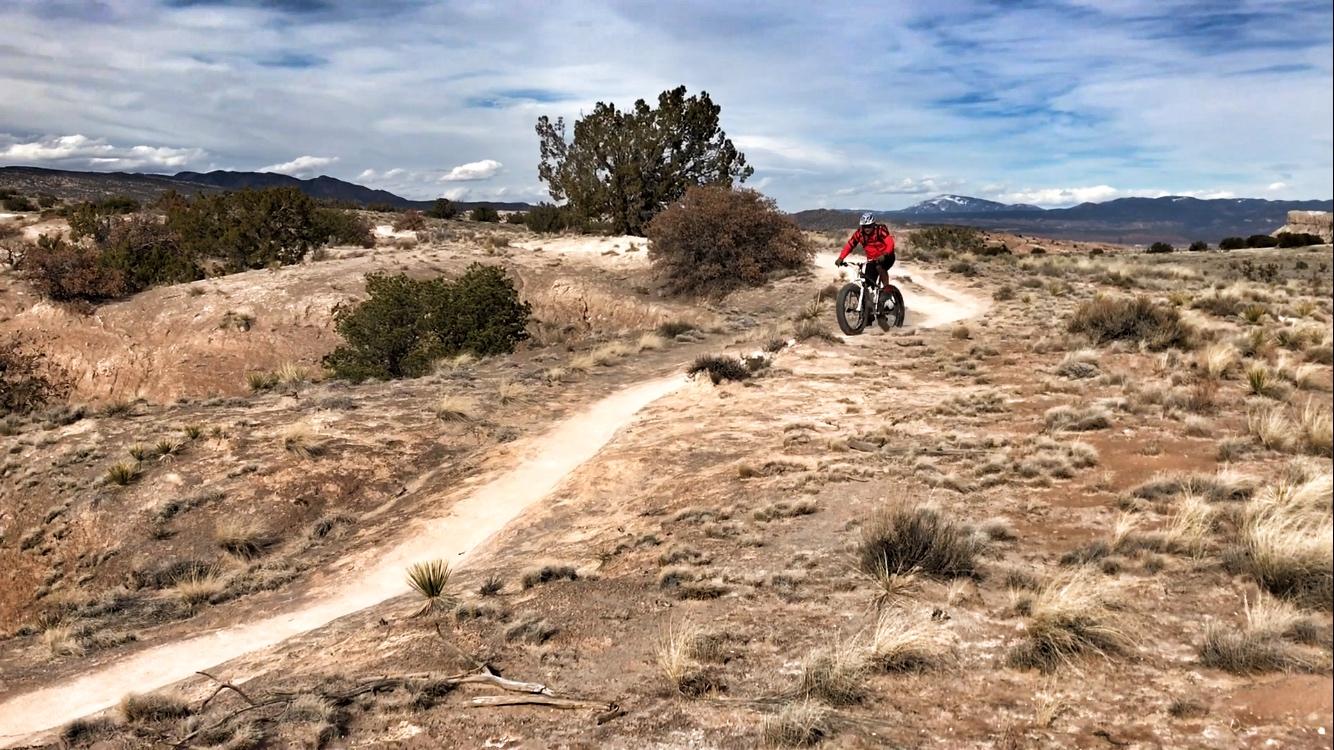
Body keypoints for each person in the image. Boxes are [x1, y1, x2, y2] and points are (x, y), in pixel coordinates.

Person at [835, 212, 896, 292]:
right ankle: (871, 299)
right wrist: (841, 257)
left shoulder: (880, 230)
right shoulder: (859, 234)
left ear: (873, 225)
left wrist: (885, 254)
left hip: (887, 256)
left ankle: (886, 290)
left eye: (869, 226)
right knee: (868, 280)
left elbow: (890, 242)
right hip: (872, 260)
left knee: (879, 267)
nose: (867, 229)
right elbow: (850, 245)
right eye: (864, 226)